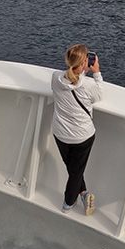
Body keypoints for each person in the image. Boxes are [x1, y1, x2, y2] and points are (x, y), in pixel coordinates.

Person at [51, 43, 102, 215]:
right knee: (75, 172)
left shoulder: (55, 77)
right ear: (83, 64)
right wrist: (96, 72)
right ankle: (68, 203)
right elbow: (99, 95)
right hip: (82, 137)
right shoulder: (88, 86)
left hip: (60, 134)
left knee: (73, 169)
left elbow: (70, 79)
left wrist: (81, 71)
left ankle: (84, 192)